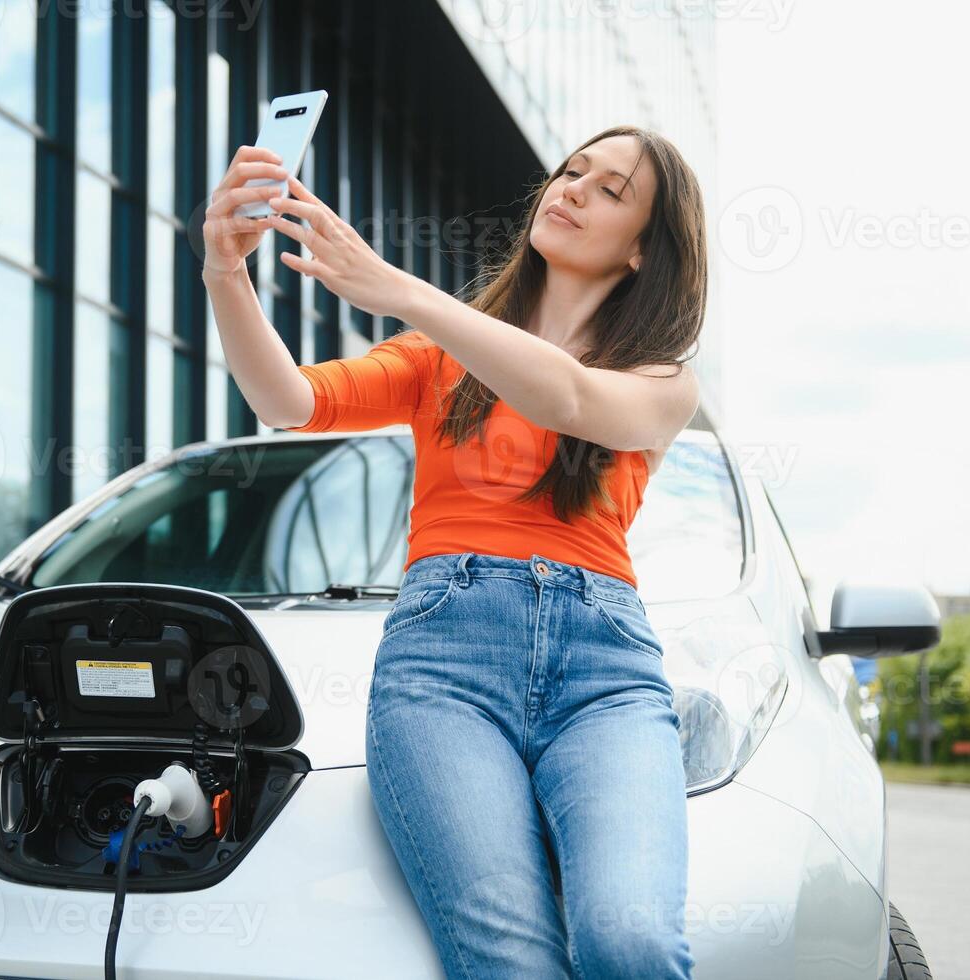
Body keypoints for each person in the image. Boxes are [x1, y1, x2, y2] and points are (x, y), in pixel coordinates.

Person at [201, 125, 705, 979]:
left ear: (640, 255)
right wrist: (225, 273)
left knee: (633, 941)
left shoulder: (661, 379)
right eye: (570, 171)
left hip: (605, 677)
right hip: (444, 669)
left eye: (610, 190)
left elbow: (566, 395)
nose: (572, 188)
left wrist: (400, 290)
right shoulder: (439, 359)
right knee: (509, 960)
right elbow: (287, 400)